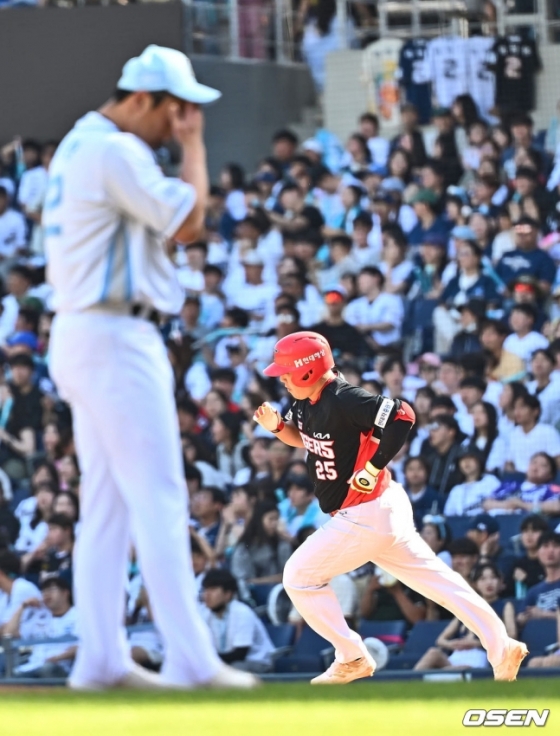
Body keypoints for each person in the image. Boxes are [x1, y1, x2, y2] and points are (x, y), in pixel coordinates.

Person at [44, 45, 256, 689]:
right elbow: (189, 222)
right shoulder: (116, 150)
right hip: (115, 333)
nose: (179, 125)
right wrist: (196, 149)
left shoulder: (81, 144)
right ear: (142, 100)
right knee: (160, 499)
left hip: (88, 330)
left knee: (105, 509)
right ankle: (195, 662)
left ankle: (101, 659)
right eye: (176, 111)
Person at [254, 331, 526, 683]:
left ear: (308, 371)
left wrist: (372, 467)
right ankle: (502, 647)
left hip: (365, 511)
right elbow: (303, 438)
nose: (282, 378)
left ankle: (351, 656)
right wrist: (278, 428)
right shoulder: (306, 401)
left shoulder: (343, 397)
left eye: (287, 372)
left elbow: (403, 416)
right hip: (376, 510)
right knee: (439, 583)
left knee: (299, 577)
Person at [200, 569, 275, 673]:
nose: (206, 595)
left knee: (234, 668)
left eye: (212, 589)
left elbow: (240, 654)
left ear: (228, 594)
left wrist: (208, 661)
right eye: (205, 589)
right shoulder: (204, 613)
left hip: (257, 663)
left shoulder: (242, 612)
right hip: (226, 662)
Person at [4, 574, 77, 679]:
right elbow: (8, 634)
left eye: (51, 590)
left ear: (65, 593)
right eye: (44, 591)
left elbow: (81, 647)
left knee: (47, 669)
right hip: (32, 667)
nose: (46, 595)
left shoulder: (78, 616)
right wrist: (23, 606)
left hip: (59, 668)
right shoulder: (41, 616)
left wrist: (57, 658)